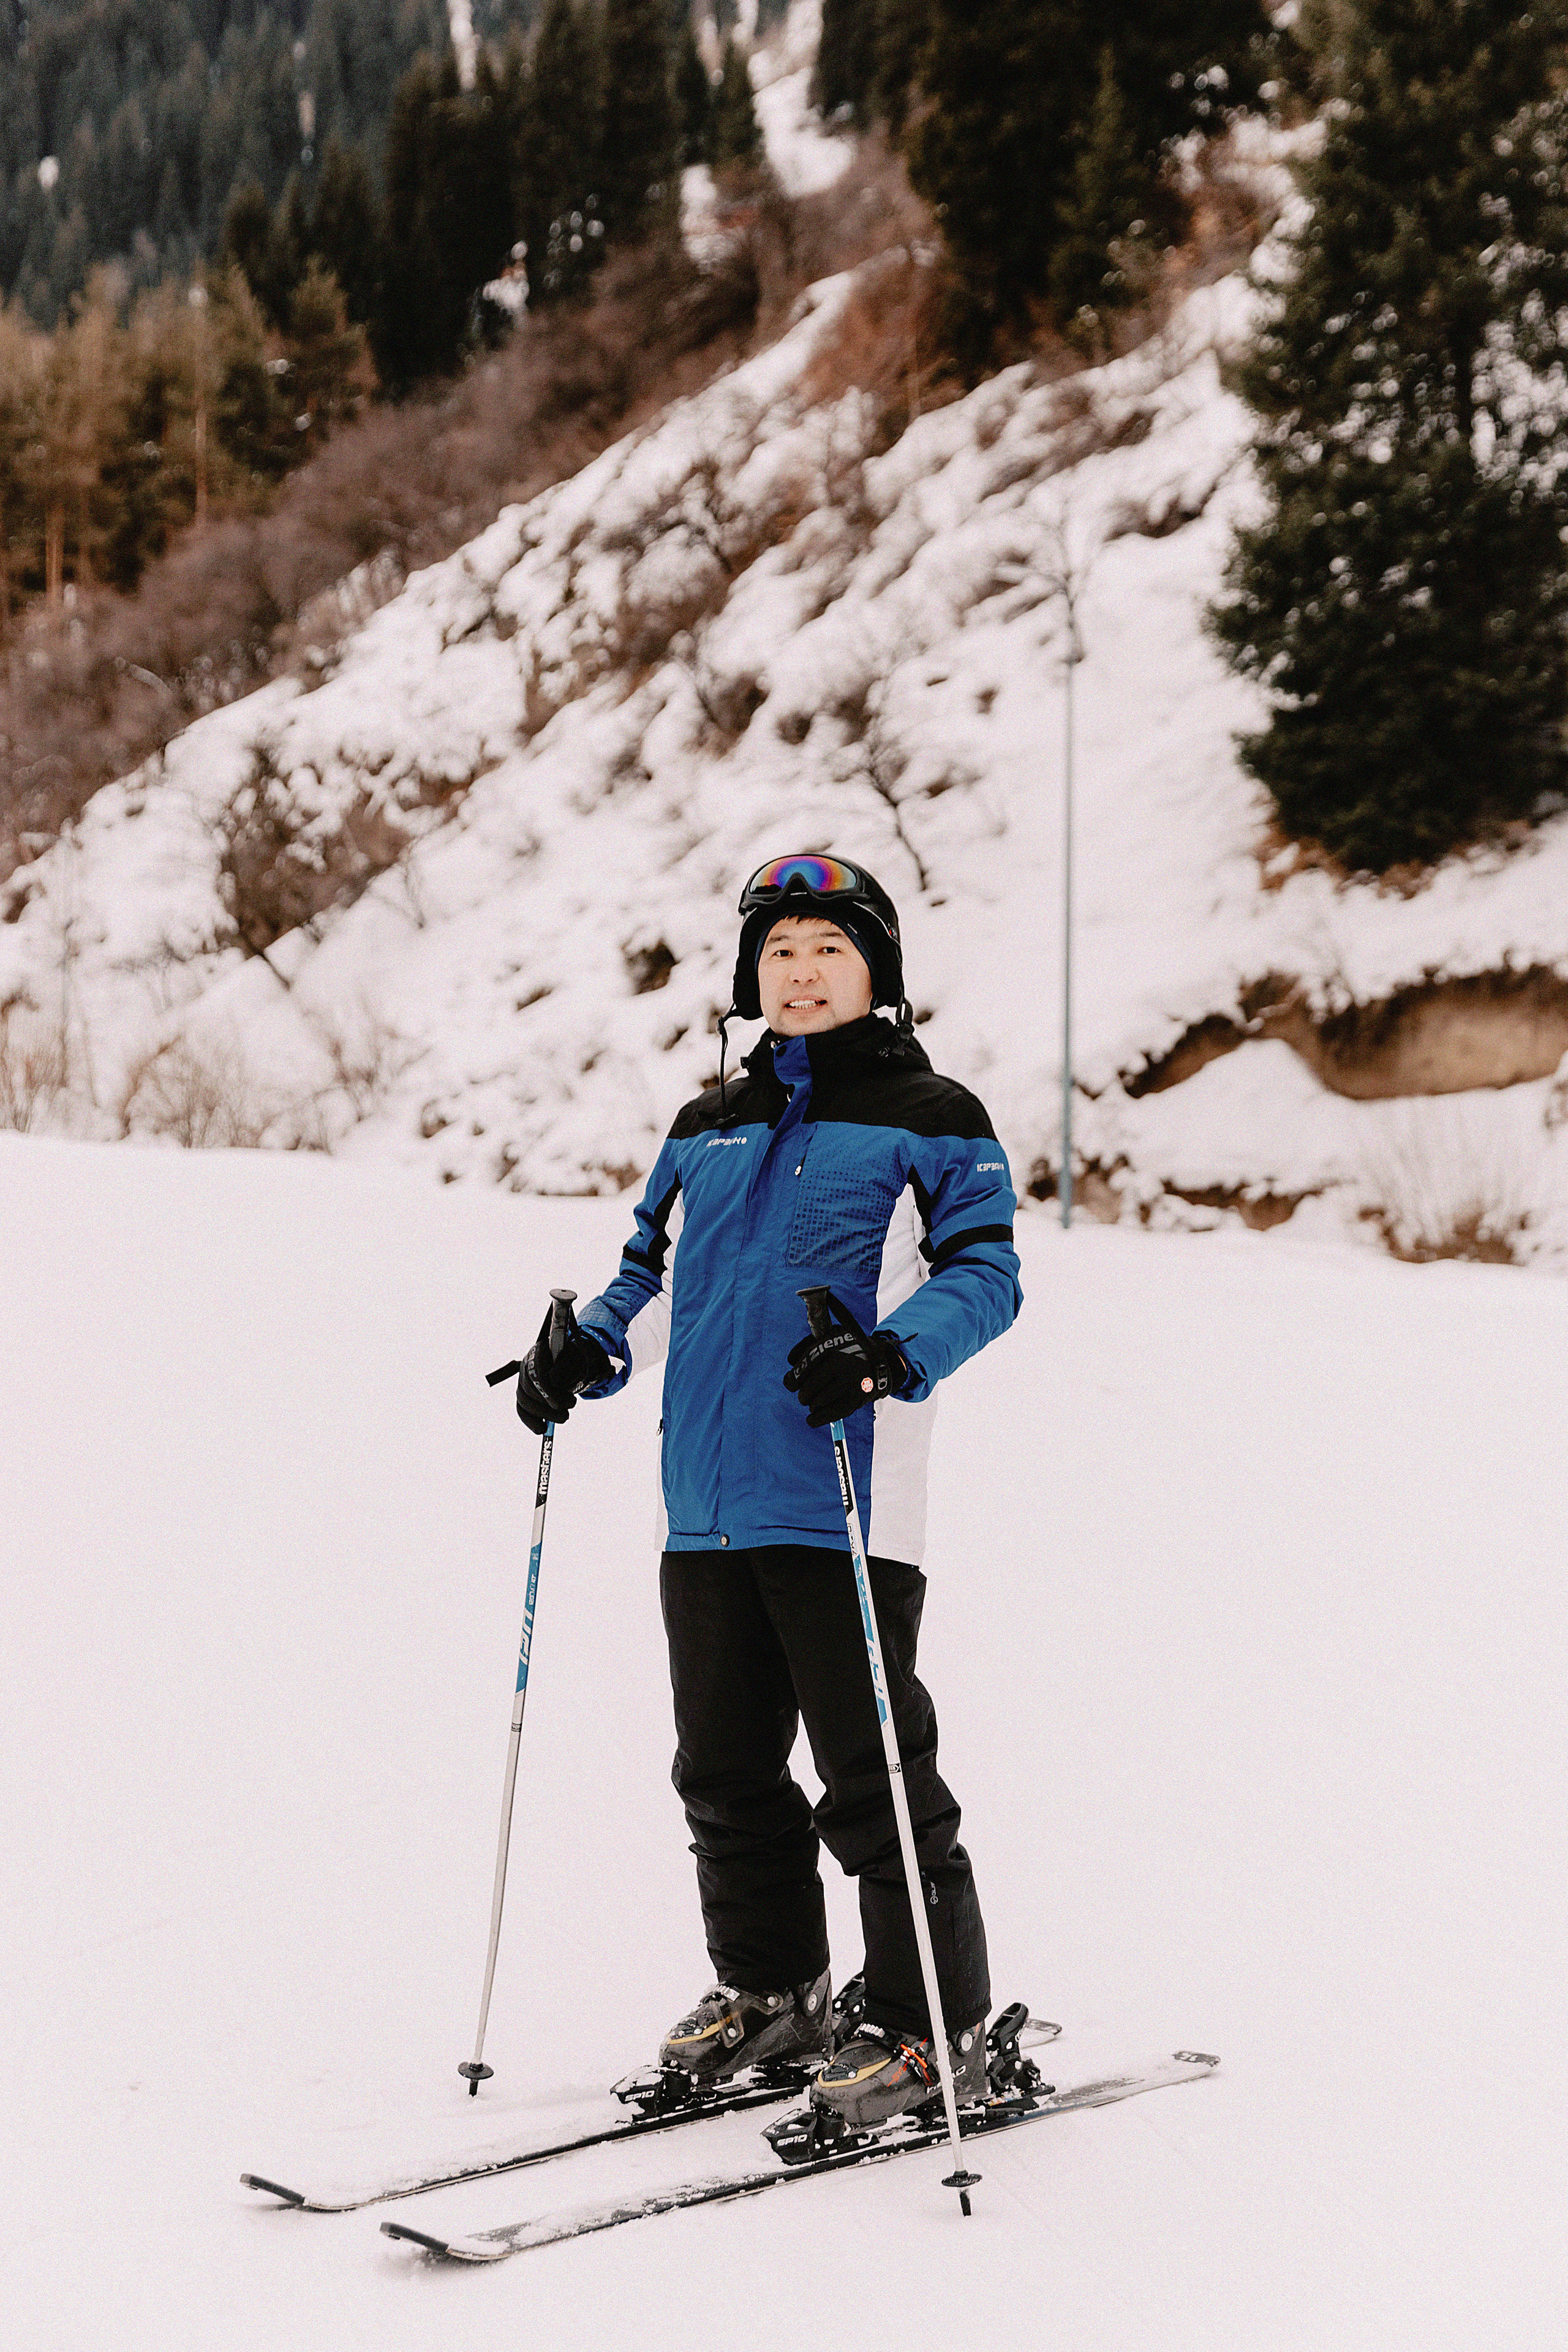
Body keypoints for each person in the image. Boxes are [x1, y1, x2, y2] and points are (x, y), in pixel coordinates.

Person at [510, 854, 1022, 2125]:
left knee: (873, 1778)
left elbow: (987, 1271)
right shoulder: (704, 1126)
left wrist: (889, 1354)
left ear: (876, 975)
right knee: (724, 1770)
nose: (797, 973)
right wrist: (584, 1346)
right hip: (705, 1502)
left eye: (826, 951)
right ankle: (775, 1991)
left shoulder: (932, 1115)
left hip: (846, 1497)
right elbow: (646, 1277)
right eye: (778, 952)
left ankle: (929, 2029)